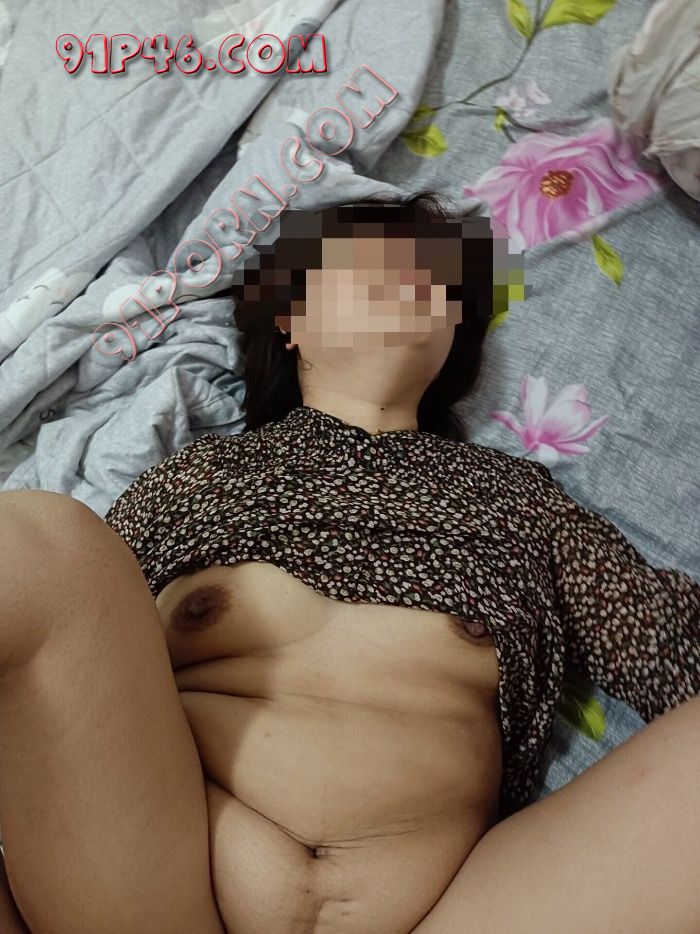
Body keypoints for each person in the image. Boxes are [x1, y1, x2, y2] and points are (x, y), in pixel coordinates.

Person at [0, 191, 697, 934]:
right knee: (40, 542)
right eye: (368, 265)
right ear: (290, 319)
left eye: (433, 277)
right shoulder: (199, 479)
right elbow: (74, 691)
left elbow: (671, 650)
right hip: (156, 893)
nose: (409, 280)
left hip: (459, 914)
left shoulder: (521, 502)